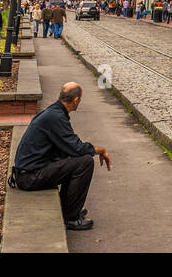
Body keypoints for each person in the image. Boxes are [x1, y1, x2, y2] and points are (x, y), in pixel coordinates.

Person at [11, 83, 111, 231]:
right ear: (76, 100)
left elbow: (68, 148)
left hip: (29, 172)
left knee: (74, 161)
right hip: (30, 177)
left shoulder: (55, 112)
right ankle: (70, 217)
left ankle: (68, 208)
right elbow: (77, 148)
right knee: (85, 161)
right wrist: (100, 150)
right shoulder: (56, 117)